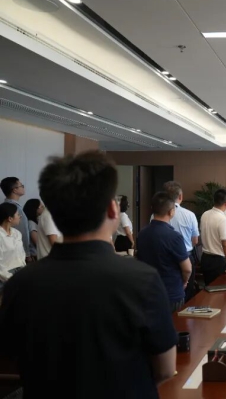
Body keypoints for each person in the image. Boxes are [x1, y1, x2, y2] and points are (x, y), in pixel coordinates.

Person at [0, 150, 177, 398]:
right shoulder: (142, 279)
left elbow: (12, 356)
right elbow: (165, 369)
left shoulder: (19, 284)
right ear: (113, 210)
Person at [137, 192, 191, 312]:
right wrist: (184, 281)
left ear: (152, 209)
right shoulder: (174, 237)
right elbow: (187, 269)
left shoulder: (142, 234)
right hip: (170, 293)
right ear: (171, 212)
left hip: (147, 291)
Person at [161, 181, 199, 301]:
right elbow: (195, 240)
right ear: (180, 196)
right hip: (186, 257)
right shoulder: (190, 215)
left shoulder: (156, 215)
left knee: (166, 294)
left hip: (163, 260)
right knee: (187, 294)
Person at [200, 188, 226, 284]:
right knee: (219, 288)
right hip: (217, 261)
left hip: (205, 258)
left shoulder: (205, 214)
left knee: (208, 288)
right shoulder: (222, 219)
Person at [0, 203, 26, 292]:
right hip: (5, 276)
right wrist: (11, 279)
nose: (20, 217)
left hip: (20, 272)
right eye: (18, 214)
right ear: (10, 218)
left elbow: (21, 255)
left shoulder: (17, 233)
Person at [0, 177, 30, 255]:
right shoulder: (15, 208)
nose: (23, 187)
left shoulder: (5, 206)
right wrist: (27, 253)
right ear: (15, 190)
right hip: (18, 252)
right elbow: (23, 231)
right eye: (21, 186)